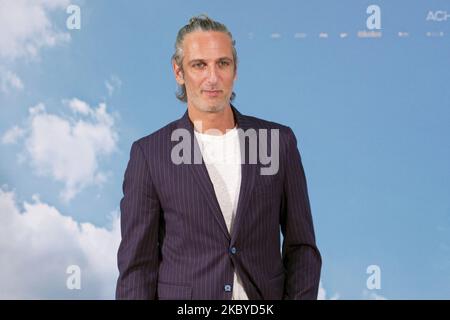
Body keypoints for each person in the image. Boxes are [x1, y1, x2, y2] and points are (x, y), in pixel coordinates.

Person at [116, 14, 321, 300]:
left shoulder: (278, 142)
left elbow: (303, 249)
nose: (212, 78)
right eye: (199, 65)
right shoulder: (149, 154)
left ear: (235, 70)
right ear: (178, 72)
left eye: (222, 63)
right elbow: (137, 268)